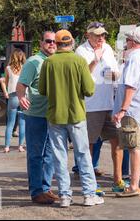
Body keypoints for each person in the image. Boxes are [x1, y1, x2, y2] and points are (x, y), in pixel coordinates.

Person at [39, 29, 104, 208]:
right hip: (76, 115)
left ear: (57, 44)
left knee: (59, 157)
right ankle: (89, 195)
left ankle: (65, 196)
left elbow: (42, 90)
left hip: (55, 115)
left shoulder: (49, 62)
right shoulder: (79, 61)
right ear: (72, 42)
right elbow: (89, 90)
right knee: (83, 155)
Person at [75, 21, 126, 193]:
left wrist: (115, 74)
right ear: (87, 35)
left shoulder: (109, 48)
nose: (101, 38)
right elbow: (82, 76)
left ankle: (118, 180)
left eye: (103, 34)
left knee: (117, 142)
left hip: (110, 104)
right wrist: (95, 60)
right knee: (88, 145)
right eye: (97, 35)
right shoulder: (81, 51)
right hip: (91, 105)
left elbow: (115, 71)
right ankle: (90, 184)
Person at [113, 28, 140, 197]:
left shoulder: (134, 58)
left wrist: (123, 109)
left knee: (133, 148)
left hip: (133, 111)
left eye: (127, 40)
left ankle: (133, 185)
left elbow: (131, 86)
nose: (126, 43)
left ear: (132, 41)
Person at [17, 31, 58, 205]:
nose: (52, 44)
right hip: (36, 115)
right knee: (35, 155)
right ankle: (36, 191)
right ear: (41, 43)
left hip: (53, 115)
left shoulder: (56, 61)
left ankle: (46, 187)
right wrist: (21, 97)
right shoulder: (34, 62)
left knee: (50, 154)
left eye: (55, 42)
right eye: (48, 41)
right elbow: (21, 85)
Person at [1, 49, 26, 153]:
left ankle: (7, 147)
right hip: (24, 97)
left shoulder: (8, 68)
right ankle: (20, 146)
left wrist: (5, 92)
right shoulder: (25, 68)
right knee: (22, 123)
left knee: (10, 123)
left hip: (13, 96)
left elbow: (5, 82)